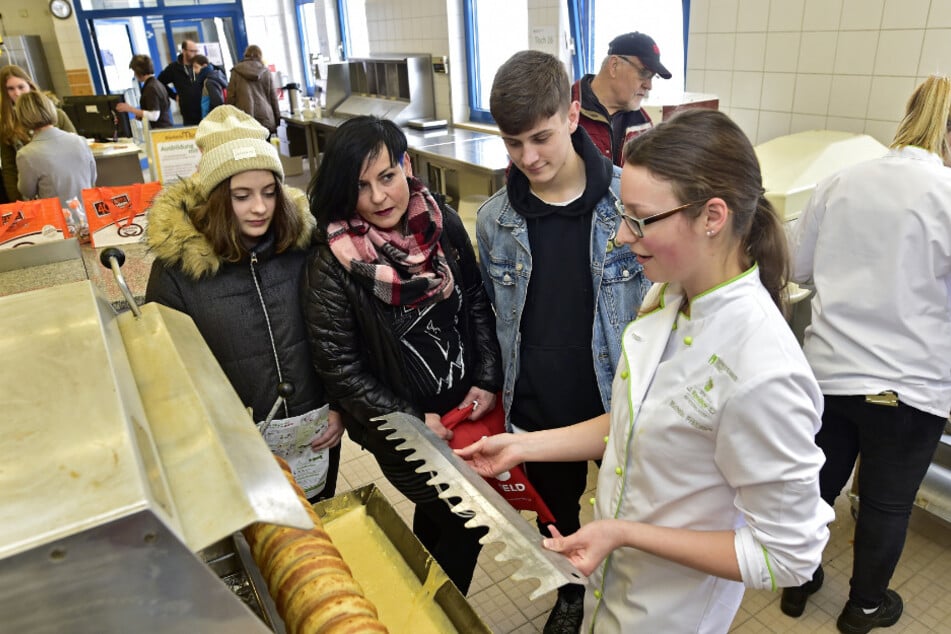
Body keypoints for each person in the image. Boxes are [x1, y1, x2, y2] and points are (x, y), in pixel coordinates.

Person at [459, 108, 834, 632]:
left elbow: (789, 555)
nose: (620, 237)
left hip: (670, 614)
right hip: (613, 585)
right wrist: (524, 446)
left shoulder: (763, 369)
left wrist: (626, 533)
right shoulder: (666, 295)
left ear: (712, 216)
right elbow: (632, 420)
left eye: (639, 219)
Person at [477, 50, 650, 633]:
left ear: (574, 114)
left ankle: (622, 597)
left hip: (614, 404)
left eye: (541, 138)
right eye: (512, 143)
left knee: (629, 514)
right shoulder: (494, 219)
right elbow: (496, 318)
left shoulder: (630, 205)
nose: (528, 157)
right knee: (555, 517)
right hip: (539, 412)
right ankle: (571, 592)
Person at [302, 115, 502, 595]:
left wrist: (488, 376)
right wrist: (413, 418)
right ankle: (439, 617)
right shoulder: (333, 263)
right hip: (406, 431)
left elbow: (474, 298)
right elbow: (341, 370)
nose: (379, 198)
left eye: (387, 177)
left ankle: (423, 600)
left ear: (406, 165)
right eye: (361, 186)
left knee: (443, 523)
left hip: (465, 413)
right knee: (465, 523)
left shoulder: (441, 222)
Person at [783, 75, 951, 633]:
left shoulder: (842, 180)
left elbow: (798, 270)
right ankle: (865, 608)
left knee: (817, 486)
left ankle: (797, 584)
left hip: (831, 375)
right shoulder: (948, 196)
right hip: (911, 387)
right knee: (886, 504)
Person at [145, 105, 342, 503]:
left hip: (316, 436)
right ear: (216, 197)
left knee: (320, 537)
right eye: (241, 195)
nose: (260, 208)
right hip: (237, 448)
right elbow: (166, 374)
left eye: (270, 193)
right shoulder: (178, 271)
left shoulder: (304, 248)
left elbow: (339, 335)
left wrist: (340, 408)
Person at [572, 31, 671, 166]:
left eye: (652, 77)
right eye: (644, 73)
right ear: (614, 66)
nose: (649, 85)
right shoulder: (564, 109)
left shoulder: (643, 124)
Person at [0, 64, 76, 204]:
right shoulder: (6, 125)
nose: (17, 93)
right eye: (10, 89)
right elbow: (9, 168)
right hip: (33, 194)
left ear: (29, 85)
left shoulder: (57, 115)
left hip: (66, 186)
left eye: (20, 87)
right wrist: (17, 203)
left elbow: (75, 149)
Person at [14, 91, 96, 207]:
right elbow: (92, 178)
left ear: (22, 117)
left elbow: (27, 191)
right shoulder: (79, 140)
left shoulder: (26, 154)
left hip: (57, 218)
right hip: (90, 213)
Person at [226, 45, 281, 135]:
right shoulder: (266, 72)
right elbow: (273, 98)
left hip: (244, 119)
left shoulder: (236, 71)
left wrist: (229, 118)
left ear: (246, 55)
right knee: (267, 148)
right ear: (260, 56)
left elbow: (231, 97)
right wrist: (277, 119)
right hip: (265, 118)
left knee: (250, 148)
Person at [116, 54, 172, 129]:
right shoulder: (157, 84)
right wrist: (141, 115)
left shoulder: (150, 88)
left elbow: (154, 115)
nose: (134, 75)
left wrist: (130, 109)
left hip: (160, 131)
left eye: (134, 71)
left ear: (139, 71)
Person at [157, 39, 203, 125]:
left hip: (204, 108)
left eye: (196, 51)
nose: (196, 54)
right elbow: (159, 82)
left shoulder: (202, 65)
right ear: (184, 51)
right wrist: (174, 96)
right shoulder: (174, 68)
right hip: (188, 112)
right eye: (192, 51)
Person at [192, 54, 227, 118]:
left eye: (196, 67)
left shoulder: (209, 81)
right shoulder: (216, 76)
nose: (194, 70)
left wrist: (211, 117)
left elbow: (217, 102)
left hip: (212, 118)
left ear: (204, 66)